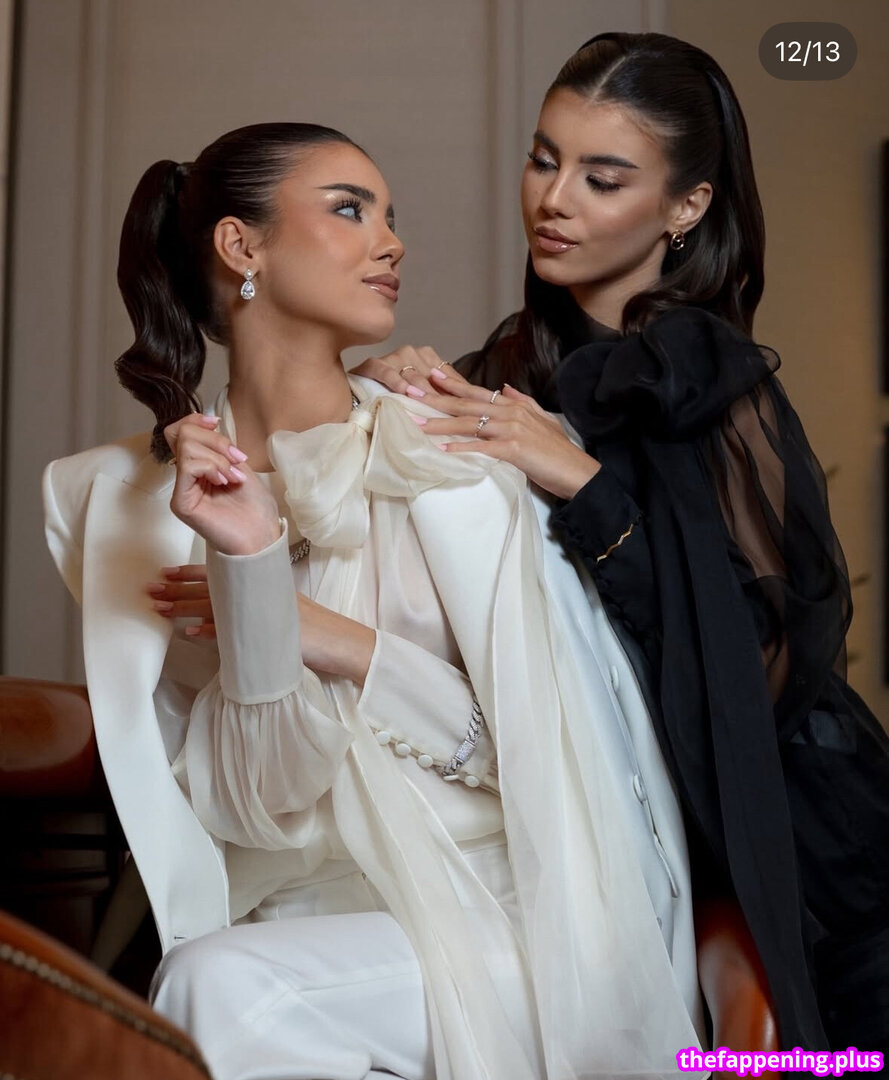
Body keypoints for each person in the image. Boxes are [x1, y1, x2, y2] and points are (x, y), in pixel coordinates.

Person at [42, 121, 705, 1080]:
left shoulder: (453, 461)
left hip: (509, 922)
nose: (391, 243)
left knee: (221, 991)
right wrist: (252, 561)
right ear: (241, 246)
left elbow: (548, 758)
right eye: (351, 210)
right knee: (223, 983)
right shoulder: (129, 507)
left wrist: (333, 639)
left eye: (391, 218)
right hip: (291, 932)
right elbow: (256, 808)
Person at [355, 32, 889, 1055]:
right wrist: (386, 393)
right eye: (542, 159)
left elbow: (765, 660)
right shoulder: (509, 369)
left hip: (813, 859)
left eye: (602, 179)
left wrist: (584, 484)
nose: (553, 200)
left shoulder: (713, 385)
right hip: (619, 843)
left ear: (686, 207)